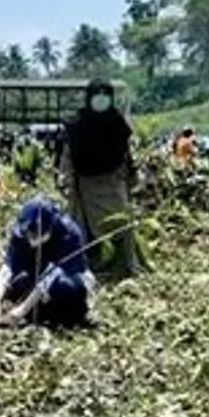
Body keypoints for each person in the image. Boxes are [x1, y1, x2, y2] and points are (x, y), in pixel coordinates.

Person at [59, 79, 141, 279]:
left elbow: (126, 155)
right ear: (89, 97)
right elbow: (67, 157)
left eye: (106, 94)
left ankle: (122, 266)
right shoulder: (77, 125)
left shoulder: (118, 123)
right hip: (86, 188)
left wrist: (132, 178)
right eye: (97, 94)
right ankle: (94, 266)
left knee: (119, 225)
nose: (101, 99)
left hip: (114, 184)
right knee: (88, 229)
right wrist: (67, 181)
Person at [0, 197, 93, 329]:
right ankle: (36, 310)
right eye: (28, 234)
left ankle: (64, 319)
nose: (30, 239)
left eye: (35, 234)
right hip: (38, 272)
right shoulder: (20, 233)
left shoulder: (69, 234)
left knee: (64, 287)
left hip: (68, 276)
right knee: (18, 283)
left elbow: (50, 277)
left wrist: (21, 311)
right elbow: (7, 268)